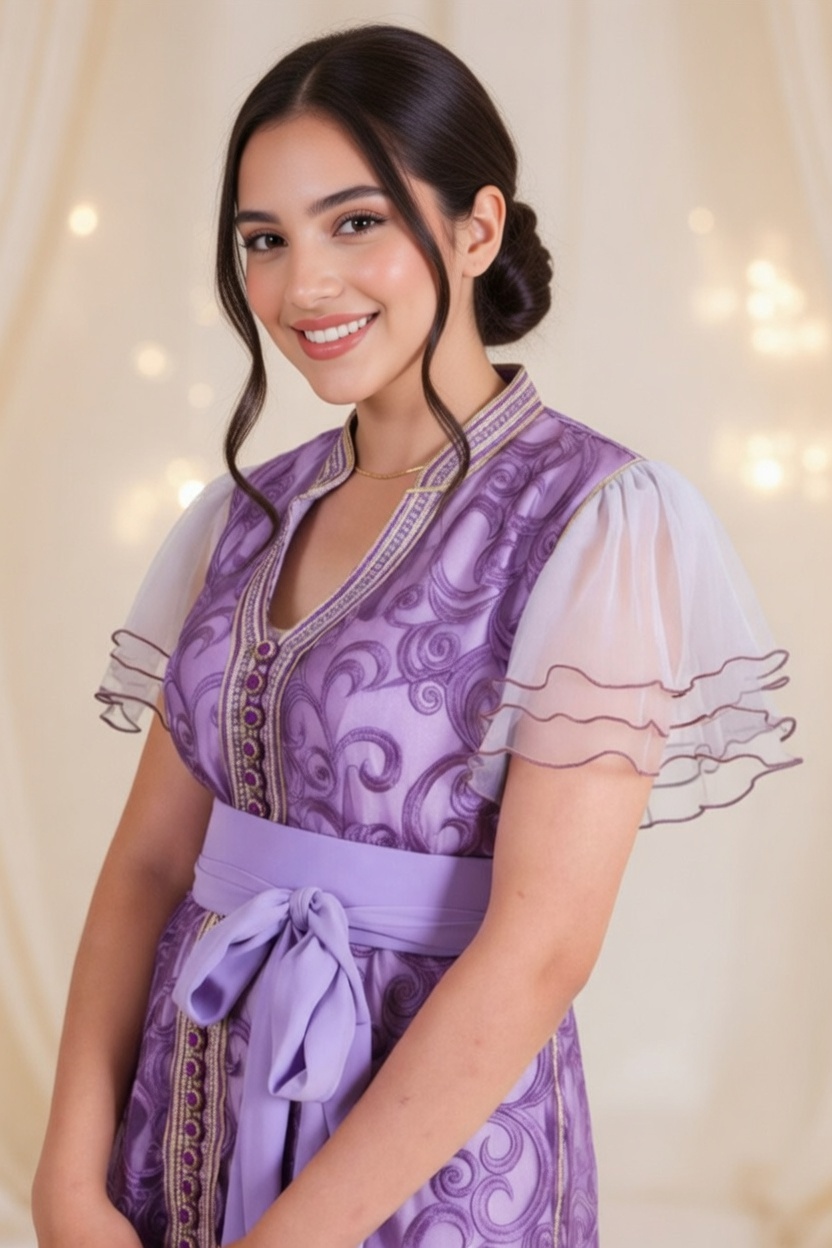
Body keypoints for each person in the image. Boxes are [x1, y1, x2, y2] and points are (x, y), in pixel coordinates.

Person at [32, 24, 799, 1248]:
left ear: (476, 227)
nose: (303, 287)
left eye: (355, 223)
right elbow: (148, 866)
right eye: (264, 241)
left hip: (430, 1168)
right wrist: (67, 1182)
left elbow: (541, 947)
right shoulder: (245, 514)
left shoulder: (591, 519)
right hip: (183, 1114)